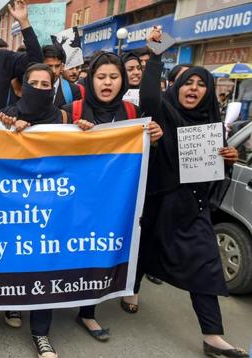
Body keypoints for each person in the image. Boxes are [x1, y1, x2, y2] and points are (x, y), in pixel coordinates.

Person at [135, 27, 249, 358]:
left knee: (205, 264)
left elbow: (215, 173)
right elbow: (149, 98)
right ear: (177, 88)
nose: (194, 89)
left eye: (202, 85)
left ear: (209, 92)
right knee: (144, 252)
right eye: (188, 83)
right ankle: (128, 292)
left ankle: (212, 337)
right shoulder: (164, 111)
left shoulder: (211, 123)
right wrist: (155, 56)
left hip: (193, 208)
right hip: (159, 202)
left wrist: (229, 158)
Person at [63, 51, 163, 342]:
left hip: (111, 201)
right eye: (101, 76)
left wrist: (152, 140)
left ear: (122, 82)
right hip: (73, 199)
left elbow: (140, 160)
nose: (107, 83)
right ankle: (51, 300)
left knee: (98, 252)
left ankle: (87, 312)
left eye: (114, 77)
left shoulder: (132, 115)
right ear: (90, 78)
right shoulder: (72, 109)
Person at [0, 63, 69, 358]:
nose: (39, 88)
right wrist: (11, 132)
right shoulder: (6, 115)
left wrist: (85, 131)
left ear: (52, 88)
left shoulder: (63, 118)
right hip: (12, 206)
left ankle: (41, 333)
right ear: (22, 86)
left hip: (50, 205)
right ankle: (13, 303)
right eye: (33, 83)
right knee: (15, 258)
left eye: (45, 84)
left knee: (45, 265)